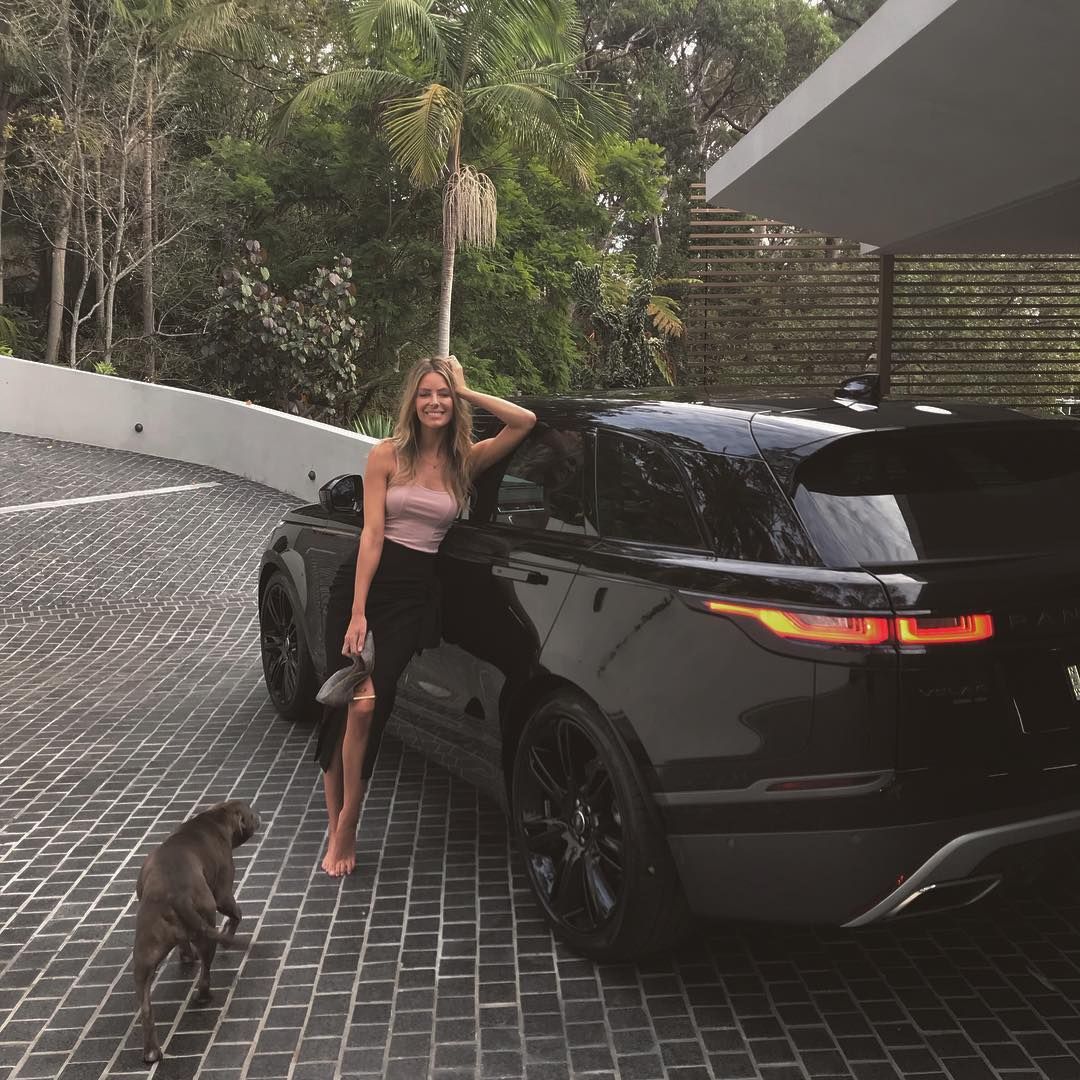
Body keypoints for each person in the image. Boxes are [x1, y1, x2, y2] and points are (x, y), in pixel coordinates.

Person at [317, 355, 536, 876]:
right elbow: (372, 536)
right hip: (364, 586)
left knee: (370, 704)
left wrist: (466, 388)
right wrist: (357, 613)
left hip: (413, 594)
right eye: (425, 394)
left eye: (442, 394)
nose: (434, 402)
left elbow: (524, 422)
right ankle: (336, 827)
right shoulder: (386, 455)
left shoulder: (465, 461)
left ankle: (349, 823)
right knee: (344, 704)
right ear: (412, 402)